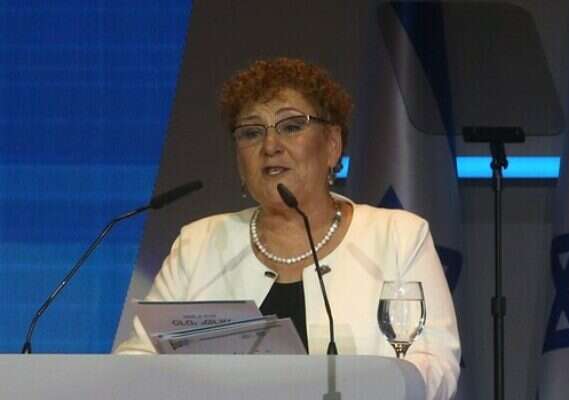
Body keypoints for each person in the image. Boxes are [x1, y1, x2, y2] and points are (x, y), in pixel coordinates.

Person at [115, 57, 460, 400]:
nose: (270, 146)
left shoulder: (398, 236)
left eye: (291, 126)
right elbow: (137, 358)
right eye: (251, 132)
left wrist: (371, 388)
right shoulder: (198, 243)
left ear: (332, 145)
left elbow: (436, 364)